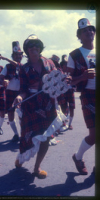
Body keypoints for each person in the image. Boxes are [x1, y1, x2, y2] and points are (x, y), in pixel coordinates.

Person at [13, 34, 64, 178]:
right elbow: (23, 89)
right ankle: (21, 157)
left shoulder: (49, 63)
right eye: (31, 46)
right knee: (27, 136)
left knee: (46, 137)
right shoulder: (24, 68)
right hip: (31, 105)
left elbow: (59, 79)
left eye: (36, 45)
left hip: (48, 105)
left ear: (40, 48)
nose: (34, 48)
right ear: (27, 50)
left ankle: (37, 167)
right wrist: (19, 97)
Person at [67, 18, 96, 175]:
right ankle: (78, 157)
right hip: (88, 95)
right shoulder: (74, 55)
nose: (89, 32)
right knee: (94, 135)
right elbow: (68, 81)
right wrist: (83, 77)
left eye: (91, 29)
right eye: (85, 30)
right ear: (79, 35)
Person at [0, 41, 23, 142]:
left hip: (21, 94)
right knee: (11, 115)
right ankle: (16, 134)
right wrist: (3, 81)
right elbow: (0, 78)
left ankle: (23, 134)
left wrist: (5, 58)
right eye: (16, 55)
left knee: (22, 114)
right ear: (13, 56)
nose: (18, 56)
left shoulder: (24, 67)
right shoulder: (7, 67)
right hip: (9, 93)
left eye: (20, 55)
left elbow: (17, 65)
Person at [59, 54, 75, 130]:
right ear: (62, 65)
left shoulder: (71, 72)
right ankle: (63, 122)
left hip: (70, 91)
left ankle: (70, 124)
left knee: (72, 108)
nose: (67, 66)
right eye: (65, 64)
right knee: (63, 108)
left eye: (67, 64)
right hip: (63, 92)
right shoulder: (60, 73)